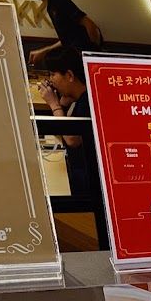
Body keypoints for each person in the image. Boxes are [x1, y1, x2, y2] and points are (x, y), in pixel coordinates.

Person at [38, 46, 99, 198]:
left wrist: (54, 105)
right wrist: (63, 104)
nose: (51, 80)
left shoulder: (88, 100)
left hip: (88, 181)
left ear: (70, 75)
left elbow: (72, 139)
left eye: (53, 74)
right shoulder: (80, 96)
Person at [29, 0, 102, 66]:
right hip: (76, 58)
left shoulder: (58, 0)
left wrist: (93, 54)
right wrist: (45, 51)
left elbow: (90, 25)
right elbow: (66, 39)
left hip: (85, 58)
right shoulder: (51, 6)